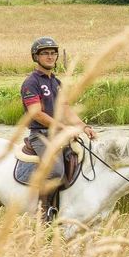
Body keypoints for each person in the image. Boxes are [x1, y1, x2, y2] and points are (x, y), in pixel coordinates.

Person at [20, 36, 95, 219]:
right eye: (45, 53)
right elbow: (36, 113)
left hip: (59, 134)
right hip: (41, 135)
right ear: (35, 57)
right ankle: (43, 213)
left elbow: (66, 109)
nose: (50, 57)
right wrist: (62, 127)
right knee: (55, 170)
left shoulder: (56, 83)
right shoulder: (31, 83)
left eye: (53, 53)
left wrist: (83, 127)